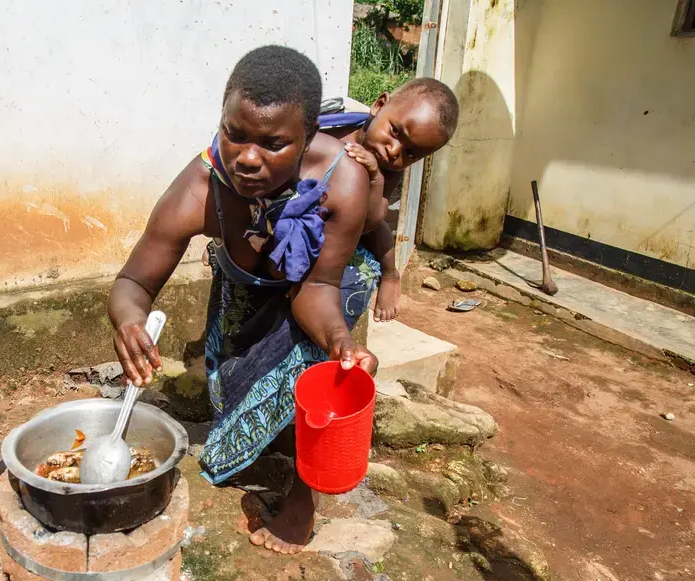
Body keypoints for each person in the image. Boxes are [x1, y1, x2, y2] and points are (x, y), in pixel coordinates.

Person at [109, 46, 457, 554]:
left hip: (323, 285)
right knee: (234, 395)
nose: (248, 158)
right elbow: (133, 283)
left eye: (273, 144)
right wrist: (129, 320)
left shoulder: (344, 178)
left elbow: (316, 290)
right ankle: (272, 432)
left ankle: (304, 496)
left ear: (309, 135)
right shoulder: (200, 186)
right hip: (243, 285)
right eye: (236, 134)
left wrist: (340, 341)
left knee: (311, 362)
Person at [320, 78, 461, 322]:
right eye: (395, 132)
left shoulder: (388, 168)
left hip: (356, 223)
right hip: (318, 209)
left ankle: (390, 273)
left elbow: (370, 221)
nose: (395, 151)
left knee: (379, 230)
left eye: (410, 154)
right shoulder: (334, 127)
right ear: (379, 105)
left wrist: (375, 176)